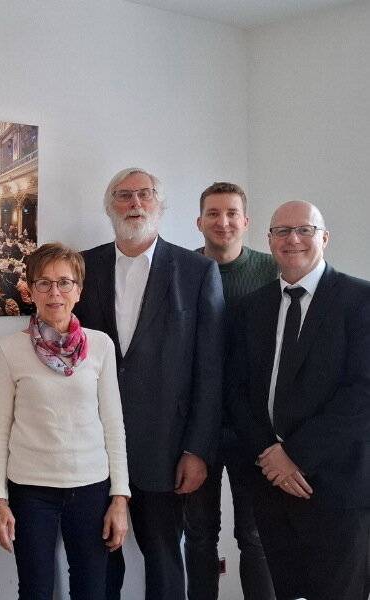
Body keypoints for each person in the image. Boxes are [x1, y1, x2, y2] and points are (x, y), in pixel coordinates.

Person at [73, 168, 225, 600]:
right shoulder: (84, 267)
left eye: (145, 194)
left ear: (160, 205)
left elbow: (209, 370)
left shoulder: (197, 272)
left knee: (162, 558)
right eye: (124, 196)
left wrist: (197, 450)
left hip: (166, 447)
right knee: (101, 559)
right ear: (110, 207)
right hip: (94, 447)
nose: (135, 203)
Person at [227, 201, 370, 600]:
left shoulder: (360, 300)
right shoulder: (251, 308)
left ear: (324, 238)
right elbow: (237, 390)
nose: (293, 239)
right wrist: (268, 454)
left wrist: (295, 455)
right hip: (271, 485)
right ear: (269, 241)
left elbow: (363, 393)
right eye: (282, 231)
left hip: (337, 489)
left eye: (304, 230)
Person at [0, 242, 130, 600]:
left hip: (91, 487)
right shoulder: (9, 349)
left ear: (78, 291)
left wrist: (120, 498)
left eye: (65, 283)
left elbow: (113, 424)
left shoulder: (101, 346)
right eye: (44, 283)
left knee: (92, 588)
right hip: (30, 490)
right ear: (31, 290)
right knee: (35, 590)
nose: (55, 293)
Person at [185, 182, 278, 600]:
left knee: (254, 537)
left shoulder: (271, 269)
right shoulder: (181, 269)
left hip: (254, 429)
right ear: (199, 221)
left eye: (231, 213)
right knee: (200, 537)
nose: (223, 222)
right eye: (213, 213)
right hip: (196, 428)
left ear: (246, 221)